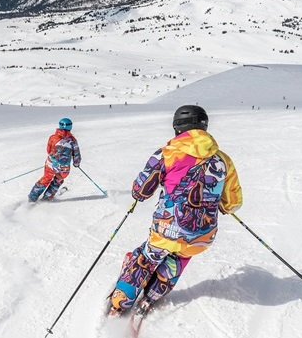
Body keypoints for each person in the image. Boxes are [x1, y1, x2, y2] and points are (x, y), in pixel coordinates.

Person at [108, 105, 243, 317]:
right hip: (202, 235)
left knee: (146, 258)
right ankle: (151, 297)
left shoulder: (167, 154)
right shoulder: (223, 160)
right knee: (178, 259)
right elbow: (232, 202)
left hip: (167, 229)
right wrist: (223, 205)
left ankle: (121, 301)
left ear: (178, 128)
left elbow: (141, 190)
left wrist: (137, 196)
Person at [28, 118, 81, 202]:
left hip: (51, 164)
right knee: (58, 179)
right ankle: (47, 198)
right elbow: (76, 154)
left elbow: (48, 150)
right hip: (64, 168)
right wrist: (76, 163)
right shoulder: (73, 141)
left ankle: (33, 196)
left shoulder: (53, 138)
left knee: (46, 178)